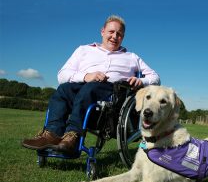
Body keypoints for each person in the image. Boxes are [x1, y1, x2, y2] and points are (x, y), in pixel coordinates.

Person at [22, 15, 160, 154]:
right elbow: (62, 75)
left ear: (122, 37)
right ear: (102, 31)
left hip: (112, 97)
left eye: (119, 34)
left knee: (91, 87)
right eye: (111, 32)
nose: (114, 36)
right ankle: (51, 134)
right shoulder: (83, 50)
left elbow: (155, 77)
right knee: (63, 89)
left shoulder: (131, 57)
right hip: (82, 88)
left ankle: (72, 136)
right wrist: (86, 76)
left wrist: (141, 81)